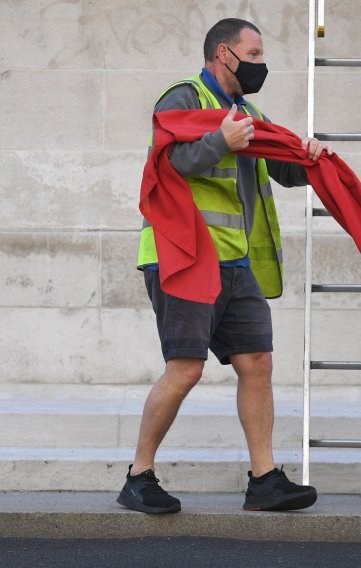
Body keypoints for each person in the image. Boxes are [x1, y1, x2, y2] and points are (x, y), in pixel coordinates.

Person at [117, 18, 328, 514]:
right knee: (185, 369)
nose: (260, 64)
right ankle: (138, 475)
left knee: (257, 363)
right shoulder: (183, 99)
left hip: (233, 263)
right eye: (252, 54)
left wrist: (312, 162)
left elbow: (280, 166)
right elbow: (168, 164)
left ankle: (264, 481)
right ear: (222, 54)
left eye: (260, 55)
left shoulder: (244, 109)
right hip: (183, 257)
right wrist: (221, 142)